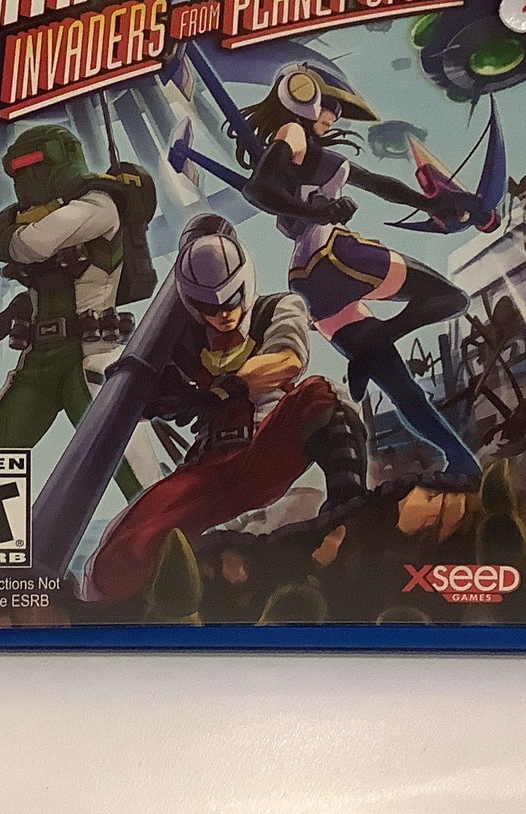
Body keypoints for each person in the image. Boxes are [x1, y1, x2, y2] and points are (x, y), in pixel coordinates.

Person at [85, 222, 367, 602]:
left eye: (232, 299)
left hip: (267, 444)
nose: (224, 313)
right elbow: (134, 404)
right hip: (209, 466)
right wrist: (155, 395)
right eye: (209, 307)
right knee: (118, 559)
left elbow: (287, 360)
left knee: (323, 395)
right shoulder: (181, 341)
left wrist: (225, 389)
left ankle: (349, 511)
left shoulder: (277, 308)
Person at [236, 63, 483, 479]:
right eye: (330, 107)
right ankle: (380, 343)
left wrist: (430, 204)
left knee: (402, 388)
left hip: (308, 281)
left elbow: (377, 183)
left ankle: (461, 463)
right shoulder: (293, 132)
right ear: (303, 97)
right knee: (450, 298)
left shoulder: (313, 155)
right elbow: (256, 189)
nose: (333, 118)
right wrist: (319, 211)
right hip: (335, 256)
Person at [0, 124, 157, 499]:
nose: (22, 182)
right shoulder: (38, 215)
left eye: (29, 168)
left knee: (142, 485)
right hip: (38, 365)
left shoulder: (100, 205)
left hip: (92, 357)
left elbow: (31, 244)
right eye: (14, 173)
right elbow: (42, 293)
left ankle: (172, 536)